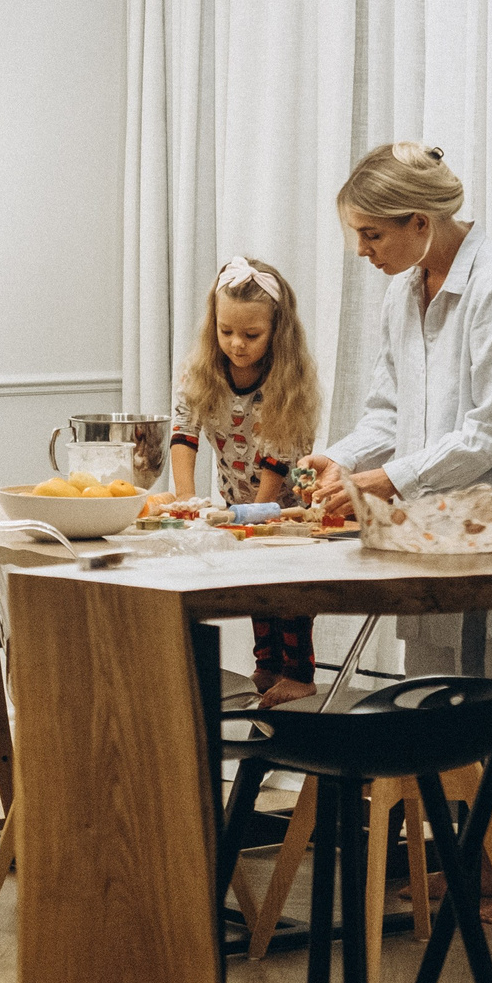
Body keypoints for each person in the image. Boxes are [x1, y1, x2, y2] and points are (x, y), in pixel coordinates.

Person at [302, 143, 492, 681]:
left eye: (372, 234)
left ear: (419, 221)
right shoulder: (404, 291)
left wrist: (391, 478)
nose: (361, 251)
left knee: (486, 704)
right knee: (425, 702)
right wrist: (341, 460)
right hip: (425, 533)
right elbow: (389, 412)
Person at [169, 255, 324, 704]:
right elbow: (184, 432)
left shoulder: (286, 380)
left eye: (251, 335)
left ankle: (299, 674)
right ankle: (266, 667)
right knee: (258, 588)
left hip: (285, 508)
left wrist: (255, 513)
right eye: (226, 331)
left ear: (277, 331)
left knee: (287, 592)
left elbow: (278, 458)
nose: (236, 344)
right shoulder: (202, 371)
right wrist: (186, 499)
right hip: (238, 500)